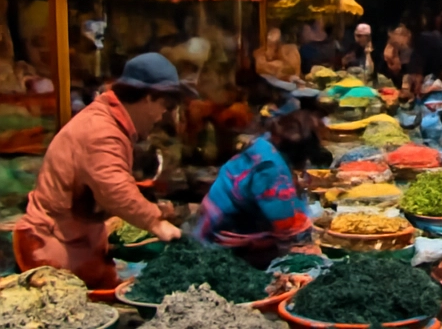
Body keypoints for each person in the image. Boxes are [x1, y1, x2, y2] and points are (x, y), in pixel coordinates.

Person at [14, 53, 187, 289]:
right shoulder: (101, 130)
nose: (161, 116)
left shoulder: (108, 123)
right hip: (51, 246)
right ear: (148, 98)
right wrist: (156, 223)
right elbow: (113, 187)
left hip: (81, 242)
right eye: (164, 106)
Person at [194, 76, 326, 268]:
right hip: (226, 245)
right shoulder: (271, 169)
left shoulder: (264, 144)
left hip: (218, 226)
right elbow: (288, 227)